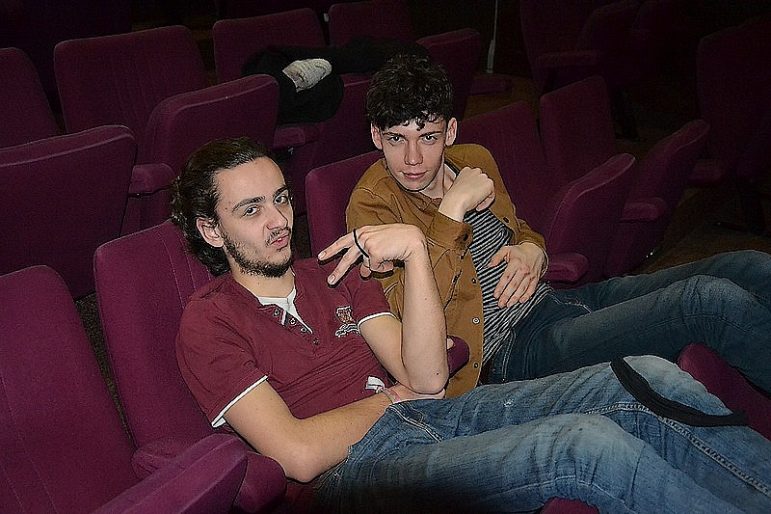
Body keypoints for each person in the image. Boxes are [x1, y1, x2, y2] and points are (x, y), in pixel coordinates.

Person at [171, 137, 771, 513]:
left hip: (428, 417)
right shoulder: (209, 321)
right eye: (251, 210)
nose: (278, 221)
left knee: (647, 377)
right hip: (351, 477)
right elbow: (299, 455)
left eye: (281, 199)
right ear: (211, 231)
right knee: (586, 445)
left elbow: (427, 378)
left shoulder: (333, 269)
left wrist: (415, 251)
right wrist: (392, 401)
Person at [346, 54, 771, 397]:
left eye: (428, 137)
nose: (413, 159)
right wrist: (452, 209)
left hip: (558, 302)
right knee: (707, 302)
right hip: (511, 352)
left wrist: (535, 251)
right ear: (376, 136)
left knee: (749, 266)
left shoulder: (474, 161)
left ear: (451, 131)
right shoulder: (371, 205)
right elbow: (412, 318)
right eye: (397, 138)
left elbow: (521, 231)